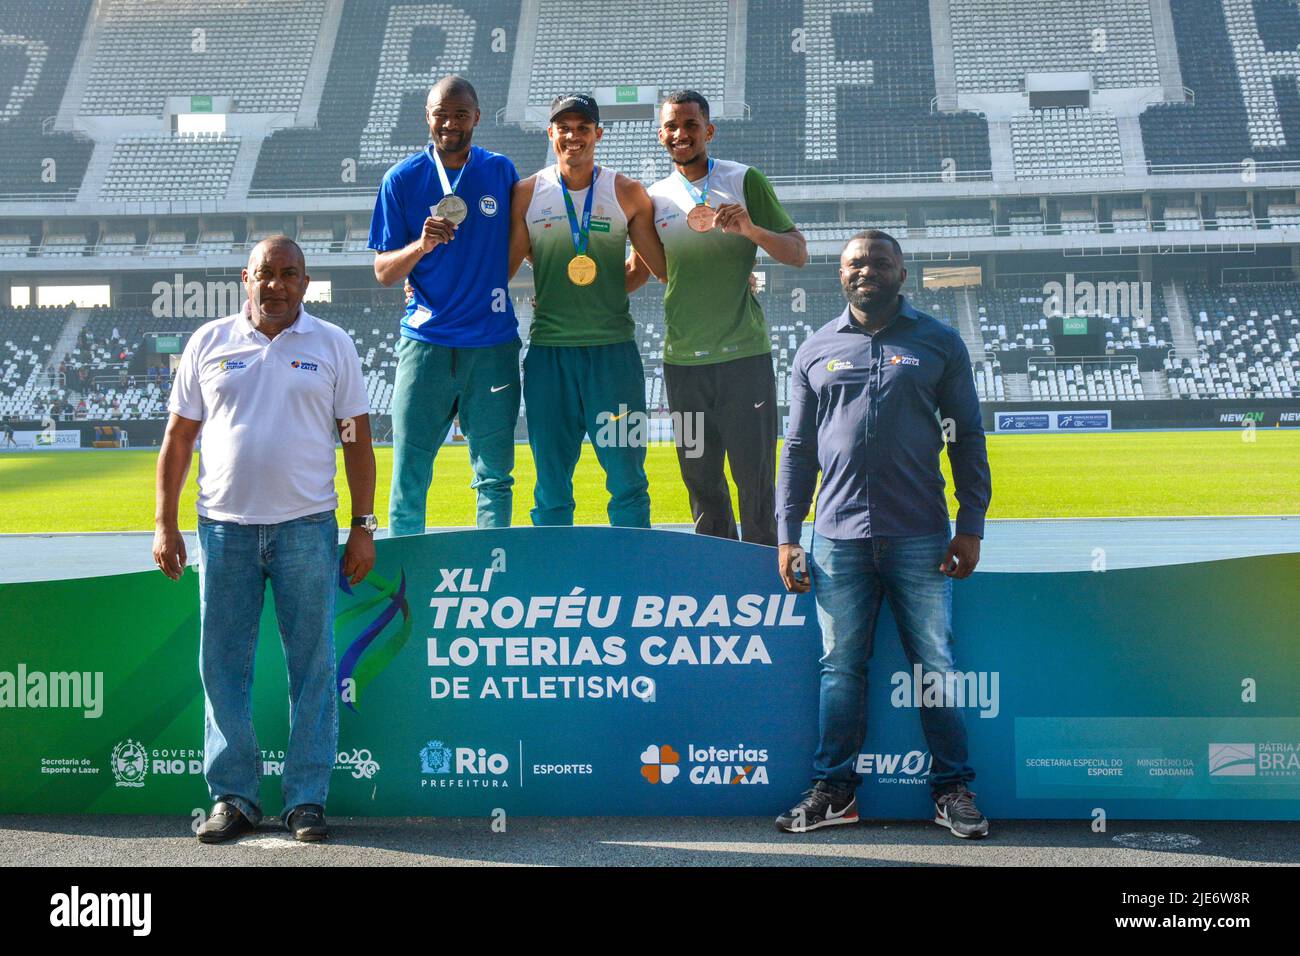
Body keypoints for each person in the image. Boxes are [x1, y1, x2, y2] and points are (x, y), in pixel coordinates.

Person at [152, 236, 376, 844]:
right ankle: (234, 796)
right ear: (243, 278)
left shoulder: (334, 345)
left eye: (288, 274)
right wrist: (164, 521)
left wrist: (362, 526)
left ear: (306, 281)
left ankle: (306, 800)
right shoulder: (207, 342)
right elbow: (178, 439)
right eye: (264, 274)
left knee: (313, 667)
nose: (276, 284)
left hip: (307, 528)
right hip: (223, 529)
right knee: (222, 666)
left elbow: (357, 440)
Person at [773, 230, 992, 839]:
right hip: (837, 537)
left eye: (877, 261)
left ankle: (952, 789)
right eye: (853, 264)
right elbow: (795, 451)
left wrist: (970, 524)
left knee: (935, 664)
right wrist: (789, 534)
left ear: (902, 271)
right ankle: (835, 792)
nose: (864, 270)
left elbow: (967, 438)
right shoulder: (815, 348)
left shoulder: (940, 342)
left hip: (922, 533)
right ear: (840, 275)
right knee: (840, 667)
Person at [628, 90, 806, 545]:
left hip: (744, 359)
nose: (680, 134)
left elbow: (797, 253)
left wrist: (751, 230)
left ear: (708, 130)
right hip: (683, 365)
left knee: (756, 480)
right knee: (701, 482)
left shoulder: (744, 180)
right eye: (671, 127)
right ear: (660, 135)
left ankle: (769, 575)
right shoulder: (653, 199)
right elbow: (644, 272)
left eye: (690, 125)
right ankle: (719, 577)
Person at [370, 74, 521, 535]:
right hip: (425, 344)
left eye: (460, 114)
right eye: (441, 113)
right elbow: (383, 272)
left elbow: (517, 247)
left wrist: (486, 285)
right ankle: (406, 585)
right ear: (427, 116)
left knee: (494, 477)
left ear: (476, 117)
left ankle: (493, 576)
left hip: (492, 346)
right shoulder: (401, 179)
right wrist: (420, 247)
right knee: (409, 478)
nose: (450, 123)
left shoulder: (501, 171)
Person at [508, 93, 667, 527]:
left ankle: (631, 575)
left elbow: (656, 267)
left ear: (599, 133)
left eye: (583, 128)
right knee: (551, 484)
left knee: (627, 479)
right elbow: (501, 267)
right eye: (564, 127)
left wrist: (607, 292)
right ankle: (557, 579)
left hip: (613, 355)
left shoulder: (627, 192)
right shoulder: (526, 193)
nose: (573, 136)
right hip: (549, 355)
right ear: (551, 133)